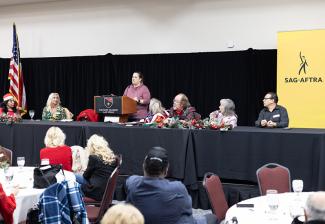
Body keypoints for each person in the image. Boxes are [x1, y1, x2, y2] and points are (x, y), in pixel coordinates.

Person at [126, 146, 218, 224]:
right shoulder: (178, 188)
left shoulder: (132, 183)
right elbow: (187, 211)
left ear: (143, 166)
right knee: (213, 218)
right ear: (166, 170)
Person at [75, 134, 117, 201]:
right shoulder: (113, 158)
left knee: (73, 177)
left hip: (95, 191)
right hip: (107, 191)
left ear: (92, 147)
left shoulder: (94, 158)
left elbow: (86, 176)